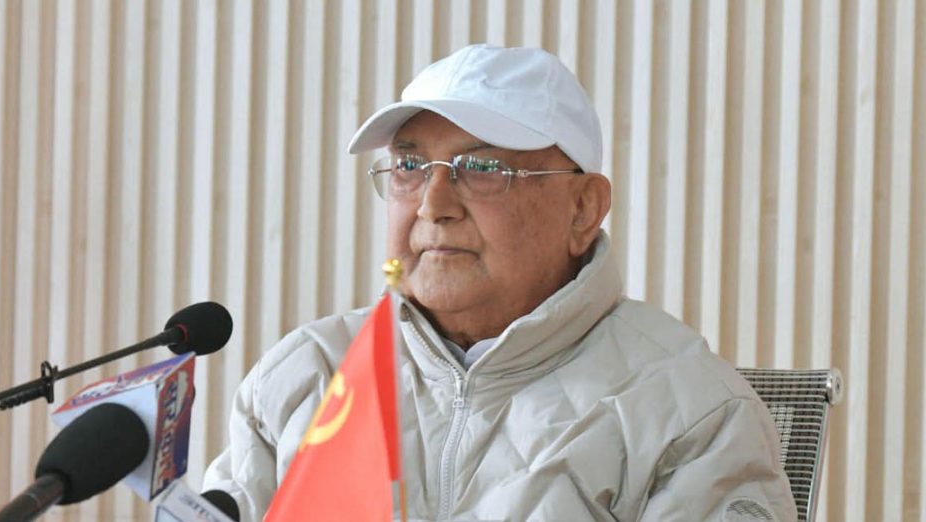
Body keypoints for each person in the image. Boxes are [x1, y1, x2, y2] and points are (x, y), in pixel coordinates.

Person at [204, 44, 797, 521]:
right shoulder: (307, 376)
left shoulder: (691, 412)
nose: (433, 205)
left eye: (482, 168)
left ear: (583, 209)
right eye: (410, 167)